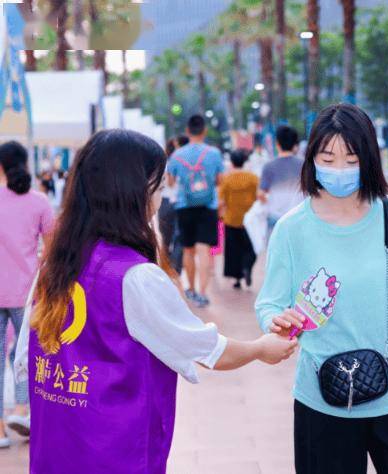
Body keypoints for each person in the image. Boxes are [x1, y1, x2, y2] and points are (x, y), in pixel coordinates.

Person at [13, 129, 297, 474]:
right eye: (160, 187)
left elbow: (25, 362)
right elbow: (206, 349)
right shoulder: (136, 277)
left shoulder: (55, 264)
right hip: (115, 453)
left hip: (55, 450)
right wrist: (260, 348)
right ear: (134, 193)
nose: (162, 197)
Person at [255, 103, 388, 474]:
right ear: (312, 160)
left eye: (351, 159)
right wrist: (277, 321)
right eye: (328, 158)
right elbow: (269, 304)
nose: (339, 170)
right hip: (321, 397)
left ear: (369, 160)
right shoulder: (292, 229)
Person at [0, 142, 54, 448]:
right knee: (28, 355)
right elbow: (53, 246)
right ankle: (22, 410)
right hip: (27, 291)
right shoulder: (39, 202)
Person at [167, 115, 224, 307]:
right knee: (204, 250)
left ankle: (190, 289)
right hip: (208, 206)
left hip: (185, 207)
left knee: (188, 250)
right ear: (204, 131)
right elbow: (219, 180)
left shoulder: (177, 155)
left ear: (187, 131)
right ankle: (203, 292)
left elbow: (170, 182)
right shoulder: (214, 153)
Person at [219, 149, 259, 289]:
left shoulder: (227, 178)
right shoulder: (253, 178)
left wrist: (219, 214)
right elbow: (258, 197)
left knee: (233, 251)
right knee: (250, 248)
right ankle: (247, 267)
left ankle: (236, 279)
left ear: (232, 162)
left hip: (231, 219)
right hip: (249, 220)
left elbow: (221, 200)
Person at [258, 125, 303, 231]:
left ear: (277, 144)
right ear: (295, 145)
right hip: (299, 217)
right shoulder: (304, 165)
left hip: (275, 218)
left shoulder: (269, 166)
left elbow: (260, 194)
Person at [159, 135, 189, 274]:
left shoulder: (164, 161)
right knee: (179, 236)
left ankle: (165, 266)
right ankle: (176, 267)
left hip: (166, 201)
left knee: (165, 236)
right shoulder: (185, 161)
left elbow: (168, 183)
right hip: (182, 201)